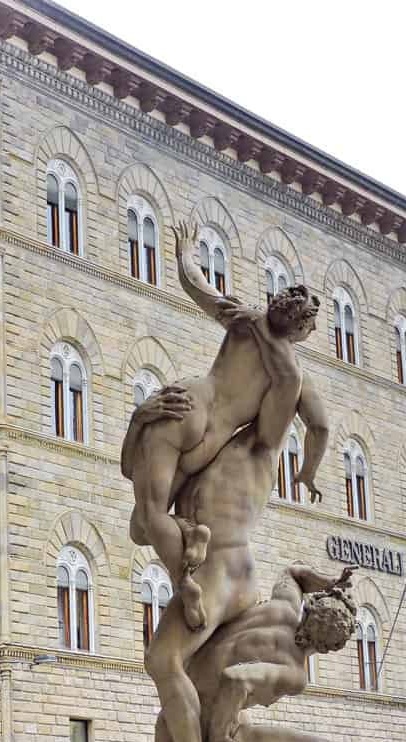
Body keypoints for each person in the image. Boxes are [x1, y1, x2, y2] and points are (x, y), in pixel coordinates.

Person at [130, 310, 330, 742]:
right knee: (195, 668)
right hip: (229, 572)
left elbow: (305, 402)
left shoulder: (261, 445)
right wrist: (142, 418)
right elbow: (140, 518)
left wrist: (266, 330)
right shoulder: (212, 448)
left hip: (219, 569)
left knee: (162, 660)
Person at [121, 220, 322, 630]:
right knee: (141, 528)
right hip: (212, 441)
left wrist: (184, 251)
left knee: (149, 518)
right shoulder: (290, 374)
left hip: (188, 403)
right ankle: (188, 547)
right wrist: (307, 471)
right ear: (301, 328)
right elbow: (319, 427)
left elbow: (195, 284)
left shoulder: (245, 321)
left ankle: (185, 579)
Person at [159, 564, 357, 742]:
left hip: (172, 726)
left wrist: (329, 582)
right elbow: (236, 679)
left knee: (242, 718)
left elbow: (292, 573)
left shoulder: (283, 607)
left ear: (311, 606)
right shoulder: (294, 673)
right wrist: (220, 741)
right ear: (329, 648)